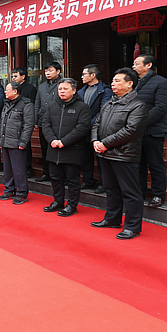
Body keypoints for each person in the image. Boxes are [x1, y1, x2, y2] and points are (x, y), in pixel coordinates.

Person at [91, 68, 150, 239]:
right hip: (105, 153)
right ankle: (112, 219)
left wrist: (104, 144)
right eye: (113, 81)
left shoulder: (138, 105)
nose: (113, 84)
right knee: (111, 189)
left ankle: (132, 226)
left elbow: (130, 131)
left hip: (124, 154)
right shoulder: (109, 102)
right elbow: (97, 123)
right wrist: (95, 141)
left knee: (130, 192)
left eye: (117, 81)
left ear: (129, 83)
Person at [40, 78, 92, 217]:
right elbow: (45, 124)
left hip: (71, 149)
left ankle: (72, 205)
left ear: (74, 91)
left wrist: (64, 141)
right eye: (60, 89)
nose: (62, 91)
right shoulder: (52, 105)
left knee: (72, 180)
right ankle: (58, 201)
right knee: (55, 178)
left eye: (65, 89)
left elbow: (82, 127)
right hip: (53, 149)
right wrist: (52, 140)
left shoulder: (82, 107)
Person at [133, 55, 167, 208]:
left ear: (148, 65)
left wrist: (140, 122)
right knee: (139, 165)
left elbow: (161, 108)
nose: (134, 67)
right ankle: (139, 193)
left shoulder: (163, 83)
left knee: (155, 164)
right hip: (136, 132)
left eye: (137, 64)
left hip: (153, 131)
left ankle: (158, 195)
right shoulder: (136, 83)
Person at [0, 82, 35, 204]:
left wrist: (23, 141)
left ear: (15, 91)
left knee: (19, 169)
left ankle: (22, 192)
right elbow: (2, 123)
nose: (5, 92)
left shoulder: (26, 104)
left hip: (17, 141)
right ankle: (9, 189)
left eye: (7, 90)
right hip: (6, 140)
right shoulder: (6, 103)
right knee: (8, 168)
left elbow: (28, 125)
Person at [77, 64, 112, 191]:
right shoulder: (81, 91)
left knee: (101, 158)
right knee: (86, 157)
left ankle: (103, 183)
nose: (81, 77)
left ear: (93, 75)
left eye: (84, 74)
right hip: (84, 129)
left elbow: (104, 110)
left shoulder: (105, 90)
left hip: (98, 129)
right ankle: (87, 181)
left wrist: (90, 124)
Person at [34, 62, 62, 182]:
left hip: (57, 122)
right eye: (46, 71)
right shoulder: (42, 86)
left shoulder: (63, 84)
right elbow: (37, 104)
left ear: (58, 71)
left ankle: (59, 174)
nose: (47, 73)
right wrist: (36, 120)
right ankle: (46, 173)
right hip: (43, 121)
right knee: (44, 148)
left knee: (57, 149)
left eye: (50, 70)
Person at [11, 68, 36, 176]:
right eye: (12, 76)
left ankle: (28, 168)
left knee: (25, 144)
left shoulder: (30, 89)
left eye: (15, 76)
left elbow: (34, 105)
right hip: (14, 121)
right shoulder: (12, 88)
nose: (13, 78)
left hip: (25, 120)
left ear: (23, 76)